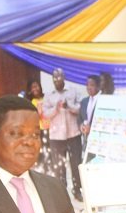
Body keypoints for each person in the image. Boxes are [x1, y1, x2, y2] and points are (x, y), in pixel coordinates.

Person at [42, 68, 83, 201]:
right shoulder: (49, 95)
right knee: (59, 166)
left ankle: (77, 191)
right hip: (56, 137)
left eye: (59, 77)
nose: (57, 80)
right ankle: (61, 193)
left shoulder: (73, 91)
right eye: (55, 78)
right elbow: (45, 114)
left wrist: (69, 106)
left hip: (73, 134)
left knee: (76, 163)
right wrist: (57, 108)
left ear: (64, 78)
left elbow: (80, 108)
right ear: (53, 79)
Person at [26, 79, 50, 173]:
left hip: (51, 129)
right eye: (32, 87)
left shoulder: (47, 98)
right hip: (40, 130)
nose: (35, 89)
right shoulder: (32, 101)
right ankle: (43, 170)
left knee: (51, 152)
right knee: (42, 152)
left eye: (36, 86)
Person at [78, 74, 101, 148]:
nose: (89, 87)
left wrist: (92, 127)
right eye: (87, 85)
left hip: (99, 141)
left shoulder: (103, 100)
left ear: (98, 86)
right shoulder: (84, 101)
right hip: (86, 140)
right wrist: (81, 126)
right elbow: (79, 118)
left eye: (92, 85)